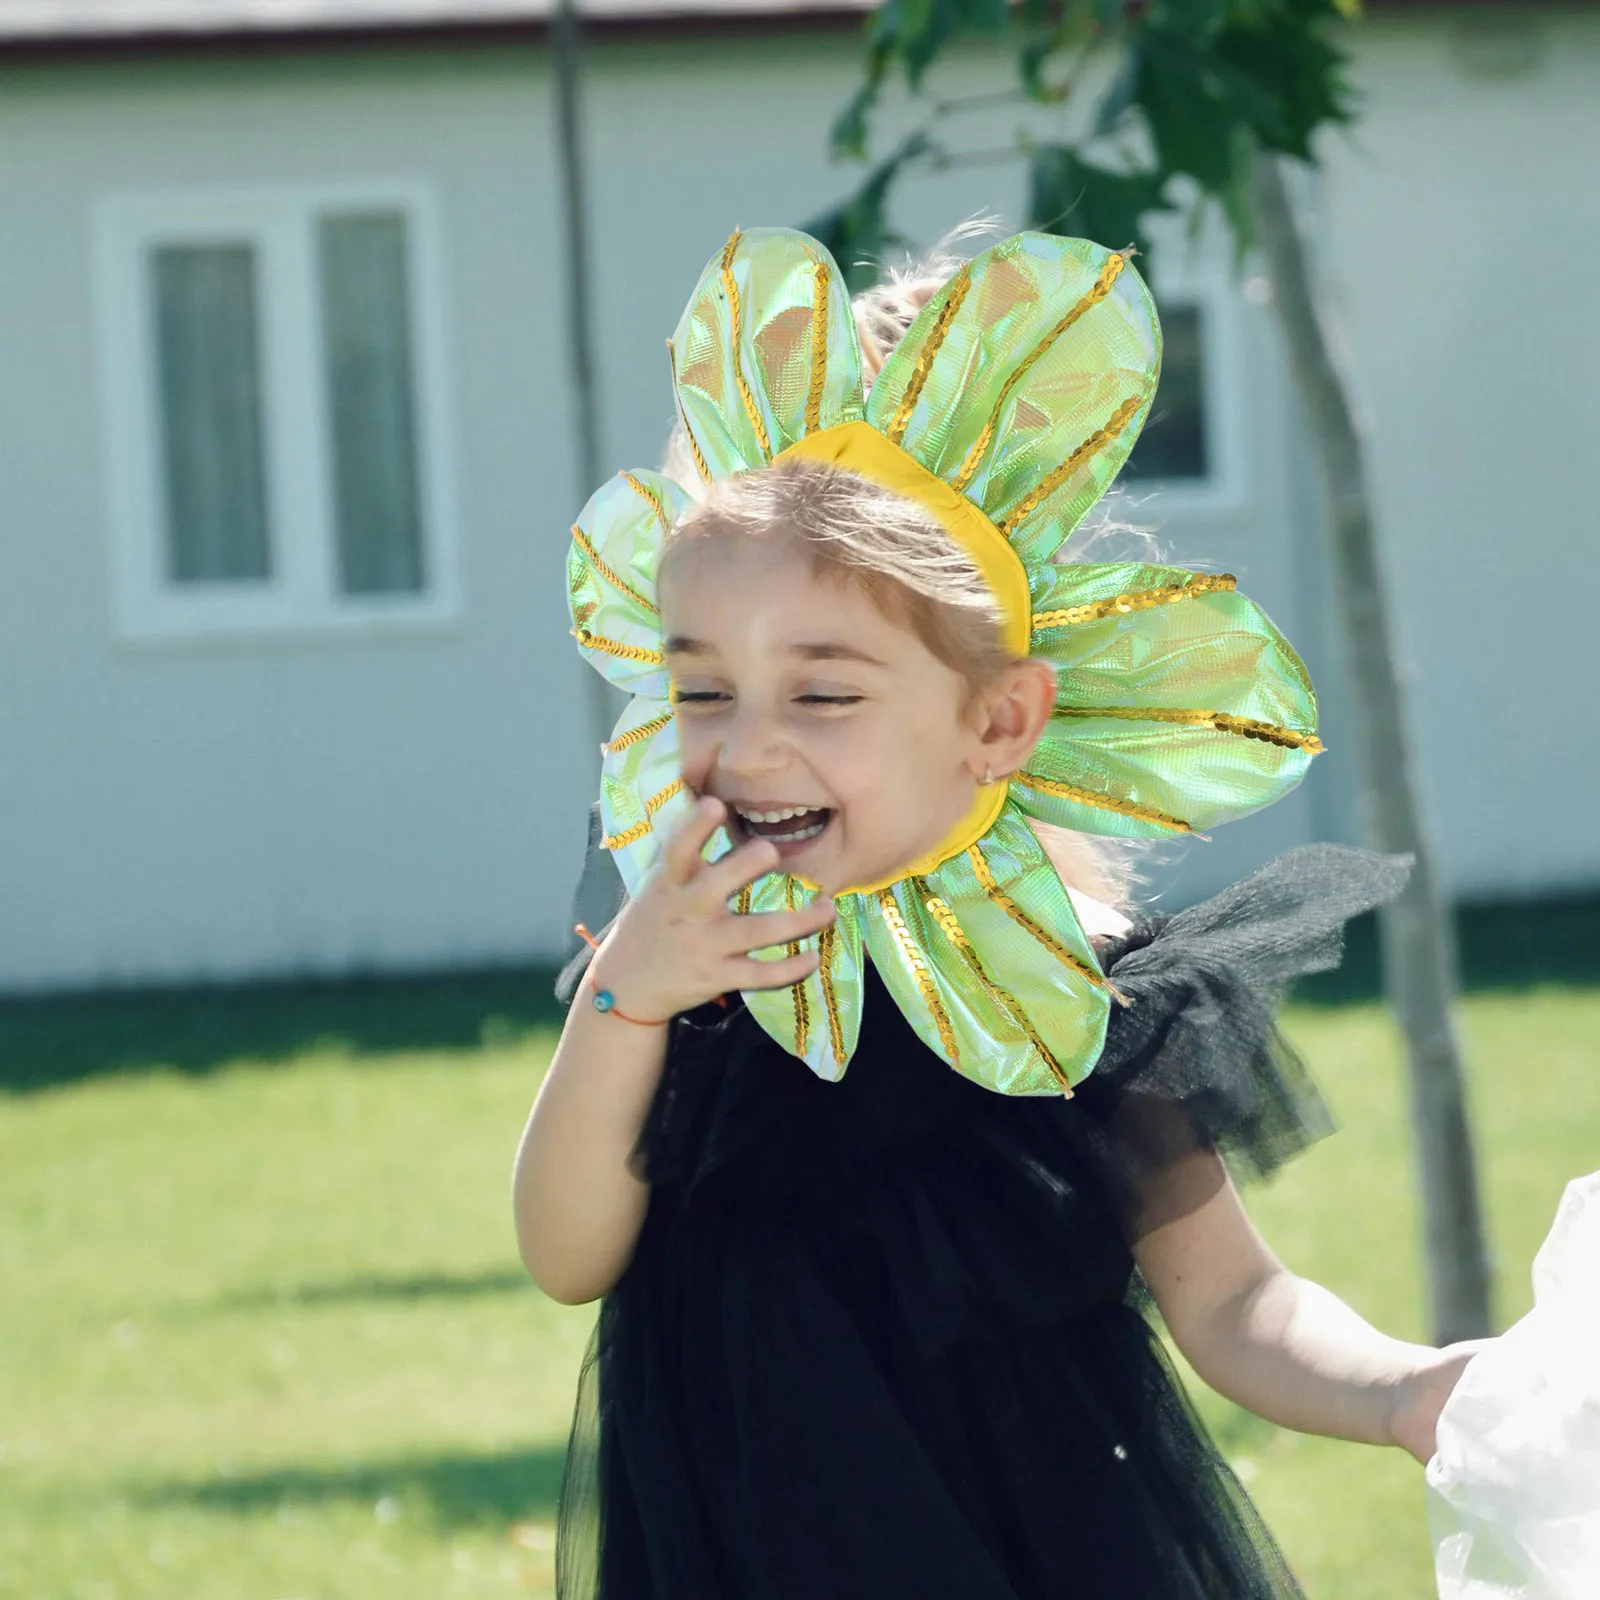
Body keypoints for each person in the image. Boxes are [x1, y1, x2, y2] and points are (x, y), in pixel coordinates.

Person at [512, 226, 1490, 1598]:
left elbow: (1233, 1299)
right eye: (701, 691)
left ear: (998, 719)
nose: (750, 745)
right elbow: (567, 1255)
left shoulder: (1068, 1006)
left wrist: (1401, 1388)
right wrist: (629, 995)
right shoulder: (696, 985)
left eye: (825, 693)